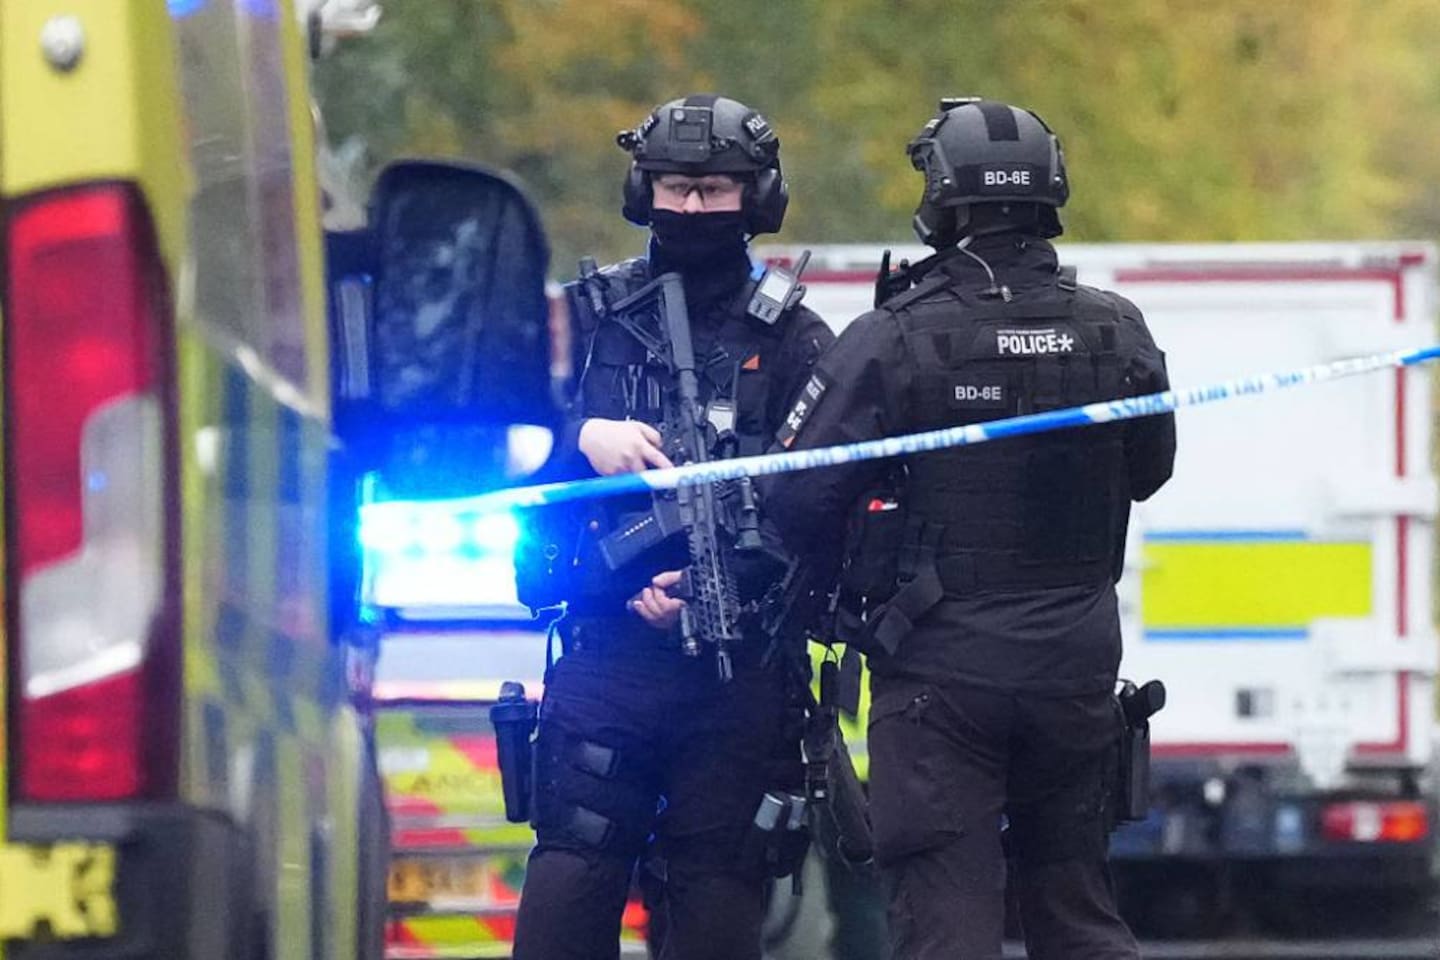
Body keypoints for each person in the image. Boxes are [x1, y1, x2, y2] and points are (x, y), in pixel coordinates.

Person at [760, 97, 1177, 960]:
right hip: (1076, 670)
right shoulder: (1118, 327)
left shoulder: (892, 338)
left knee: (946, 918)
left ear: (940, 200)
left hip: (940, 678)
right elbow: (1151, 471)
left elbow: (794, 498)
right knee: (1077, 908)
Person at [511, 94, 835, 960]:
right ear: (640, 188)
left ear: (756, 199)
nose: (691, 209)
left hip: (739, 670)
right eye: (675, 188)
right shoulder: (585, 323)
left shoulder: (800, 339)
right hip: (606, 654)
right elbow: (499, 453)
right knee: (570, 887)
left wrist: (724, 581)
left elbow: (831, 499)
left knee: (717, 903)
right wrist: (580, 438)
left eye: (713, 191)